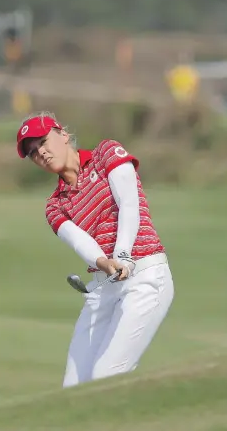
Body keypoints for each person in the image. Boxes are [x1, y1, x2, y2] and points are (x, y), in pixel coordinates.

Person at [16, 111, 174, 388]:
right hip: (103, 288)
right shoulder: (55, 205)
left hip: (145, 277)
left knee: (105, 377)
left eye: (42, 141)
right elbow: (80, 241)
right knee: (73, 387)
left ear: (63, 135)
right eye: (32, 152)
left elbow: (129, 203)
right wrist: (102, 261)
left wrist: (122, 254)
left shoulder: (106, 153)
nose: (40, 153)